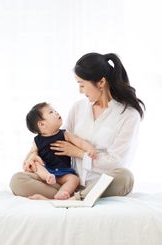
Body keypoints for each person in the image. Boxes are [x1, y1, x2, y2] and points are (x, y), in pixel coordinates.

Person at [10, 52, 145, 200]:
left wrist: (80, 153)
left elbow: (116, 163)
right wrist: (33, 156)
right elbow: (57, 141)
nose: (80, 91)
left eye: (82, 85)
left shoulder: (128, 115)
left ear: (101, 82)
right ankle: (72, 198)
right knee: (18, 180)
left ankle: (69, 199)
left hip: (99, 184)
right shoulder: (78, 108)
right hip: (68, 182)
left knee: (125, 177)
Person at [24, 102, 97, 200]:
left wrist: (90, 149)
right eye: (51, 112)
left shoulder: (65, 134)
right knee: (36, 163)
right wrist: (29, 160)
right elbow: (31, 154)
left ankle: (62, 193)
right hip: (46, 171)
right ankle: (48, 178)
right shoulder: (37, 140)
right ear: (42, 124)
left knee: (74, 179)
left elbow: (80, 142)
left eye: (55, 111)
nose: (56, 113)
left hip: (63, 172)